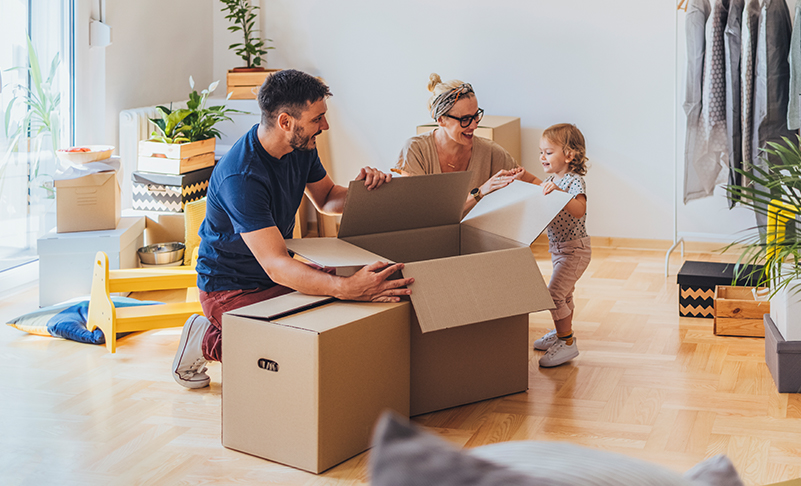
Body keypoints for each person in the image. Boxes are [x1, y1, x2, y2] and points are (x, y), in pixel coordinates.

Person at [172, 69, 414, 388]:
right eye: (318, 119)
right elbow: (275, 265)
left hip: (278, 274)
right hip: (230, 288)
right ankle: (205, 338)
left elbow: (326, 199)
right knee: (292, 354)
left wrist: (367, 192)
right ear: (286, 122)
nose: (325, 126)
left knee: (338, 320)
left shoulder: (300, 149)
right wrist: (345, 287)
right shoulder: (241, 177)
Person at [394, 73, 541, 214]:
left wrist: (541, 186)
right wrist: (481, 192)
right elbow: (425, 215)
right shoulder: (416, 150)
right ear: (441, 119)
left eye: (476, 116)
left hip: (475, 238)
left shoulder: (490, 152)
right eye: (465, 119)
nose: (474, 126)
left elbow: (534, 181)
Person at [532, 123, 591, 368]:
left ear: (569, 155)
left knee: (554, 295)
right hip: (559, 249)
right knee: (564, 294)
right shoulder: (553, 180)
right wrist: (523, 176)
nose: (542, 156)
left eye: (548, 152)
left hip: (575, 250)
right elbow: (541, 190)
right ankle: (561, 334)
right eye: (541, 152)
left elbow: (579, 210)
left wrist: (558, 193)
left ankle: (567, 342)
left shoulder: (573, 181)